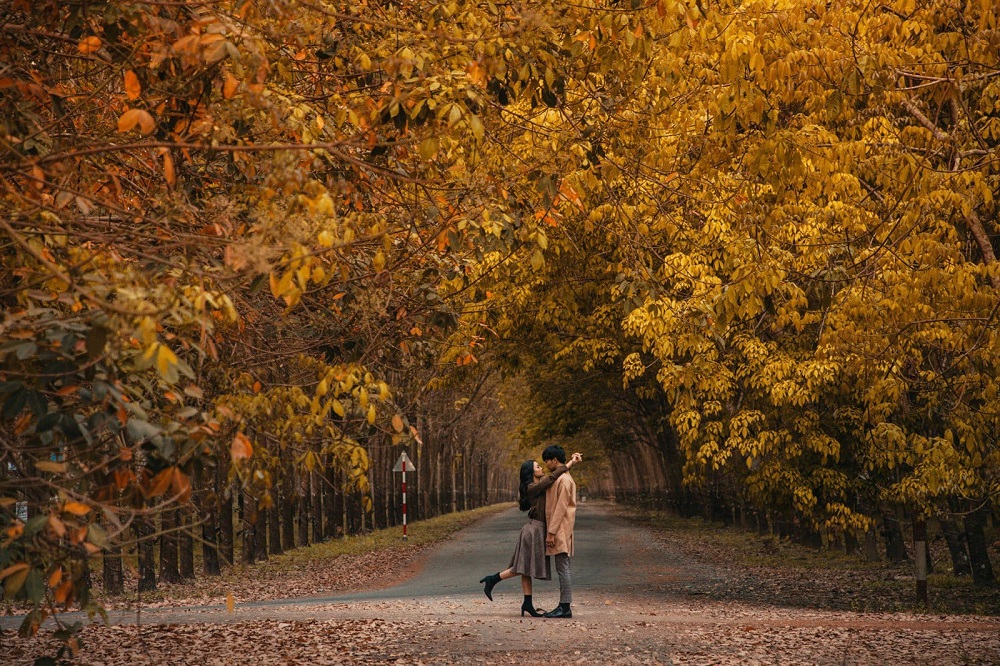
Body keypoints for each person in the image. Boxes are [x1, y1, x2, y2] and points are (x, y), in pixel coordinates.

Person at [479, 450, 583, 616]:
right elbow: (552, 477)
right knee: (522, 566)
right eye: (538, 466)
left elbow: (553, 481)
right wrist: (570, 463)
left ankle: (527, 603)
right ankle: (493, 579)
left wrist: (570, 463)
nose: (542, 467)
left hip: (538, 528)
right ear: (531, 472)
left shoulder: (543, 483)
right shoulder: (533, 487)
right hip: (534, 530)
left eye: (543, 463)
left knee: (525, 567)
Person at [542, 444, 577, 618]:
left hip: (561, 529)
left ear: (554, 460)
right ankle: (564, 605)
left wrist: (551, 532)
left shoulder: (564, 481)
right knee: (563, 567)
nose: (546, 465)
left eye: (547, 461)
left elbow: (560, 508)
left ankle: (565, 607)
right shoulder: (563, 477)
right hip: (562, 529)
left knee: (563, 568)